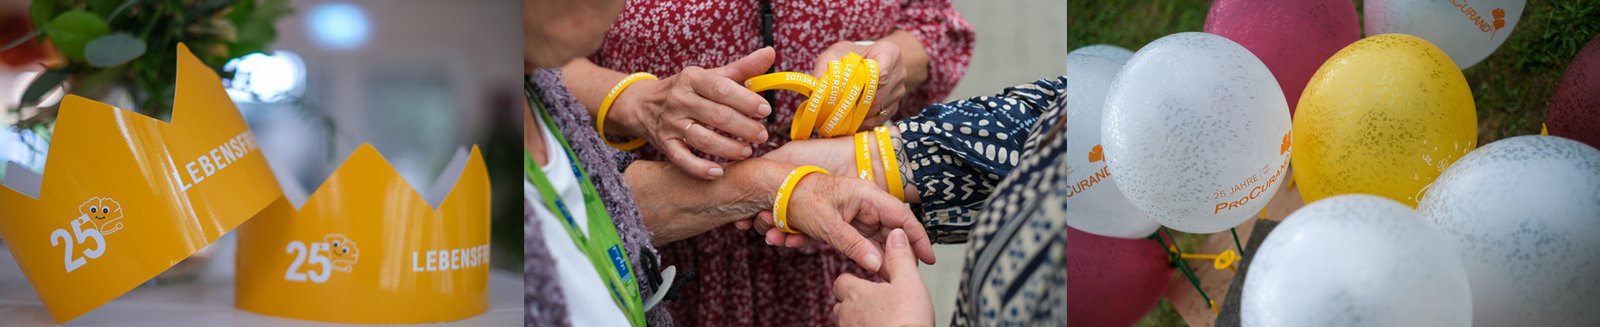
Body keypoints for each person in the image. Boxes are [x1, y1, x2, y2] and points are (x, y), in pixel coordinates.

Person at [522, 1, 937, 326]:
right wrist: (629, 99)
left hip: (830, 236)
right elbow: (541, 47)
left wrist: (878, 63)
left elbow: (933, 24)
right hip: (669, 233)